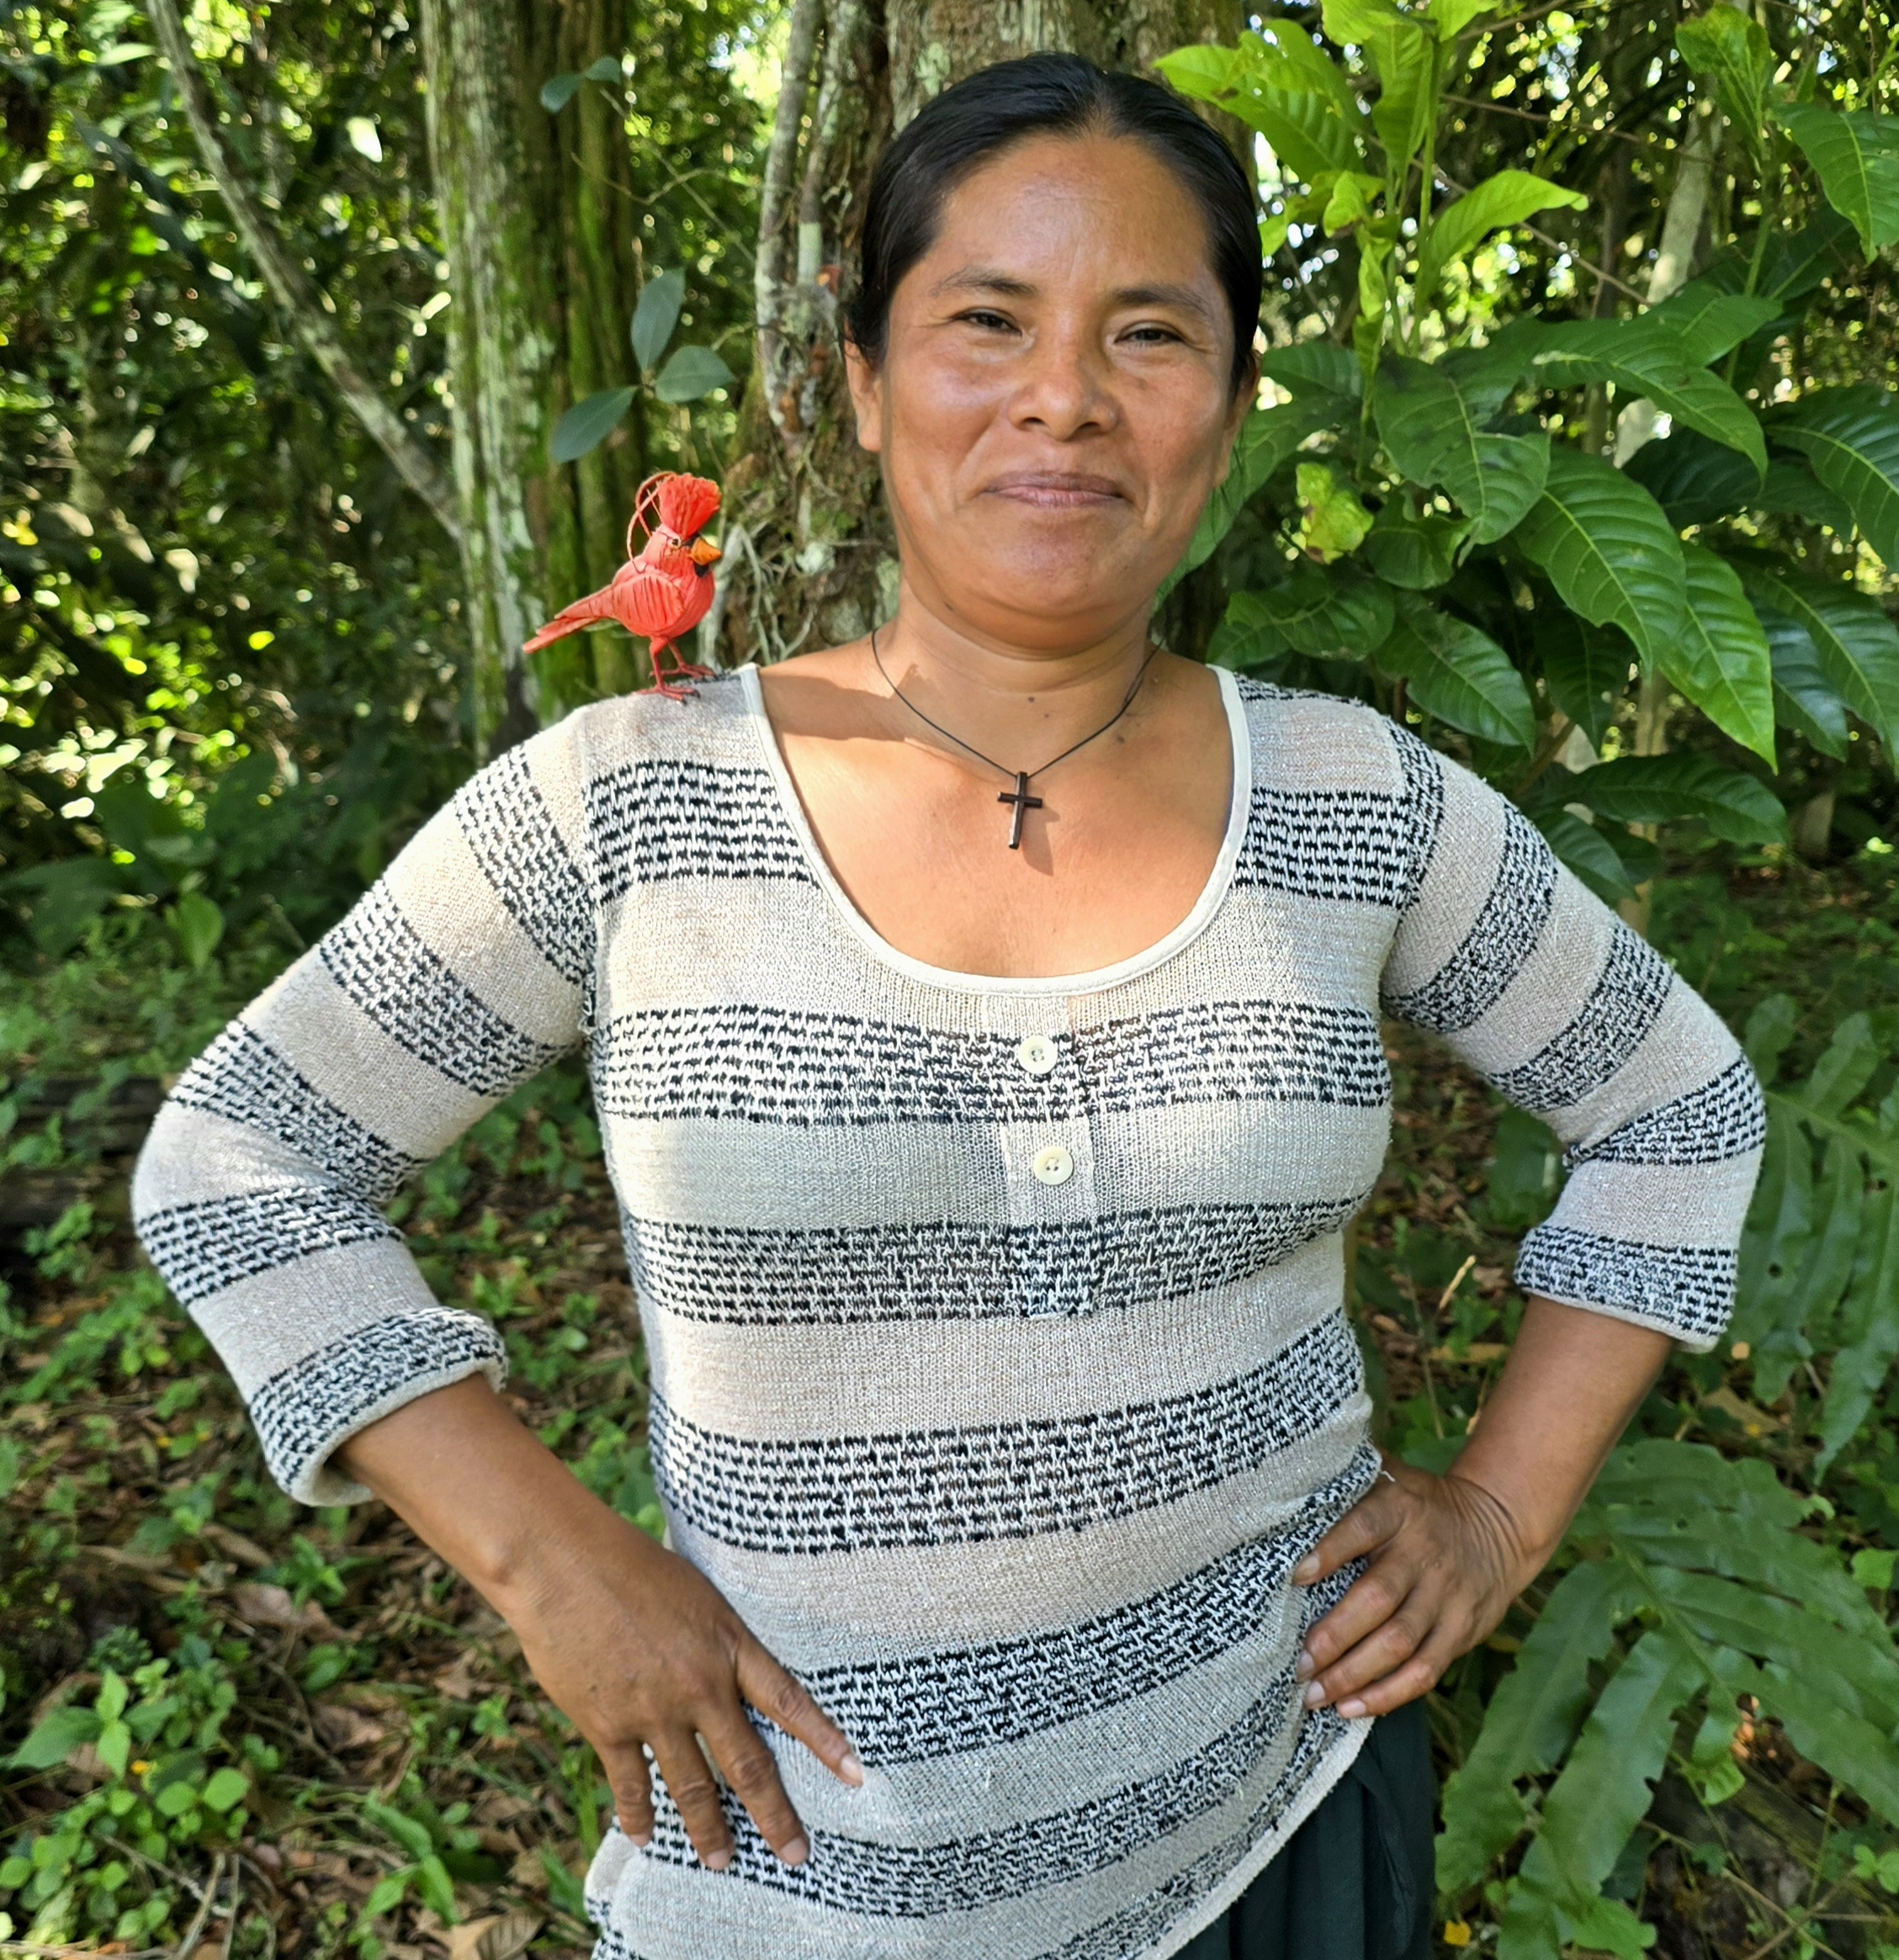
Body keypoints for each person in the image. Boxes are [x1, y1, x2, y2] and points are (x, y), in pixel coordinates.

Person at [131, 51, 1765, 1960]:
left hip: (1277, 1823)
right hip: (801, 1886)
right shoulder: (627, 802)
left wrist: (1494, 1514)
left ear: (1233, 401)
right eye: (985, 321)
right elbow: (239, 1160)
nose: (1063, 397)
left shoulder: (1355, 800)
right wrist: (554, 1564)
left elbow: (1675, 1103)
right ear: (864, 378)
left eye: (1147, 332)